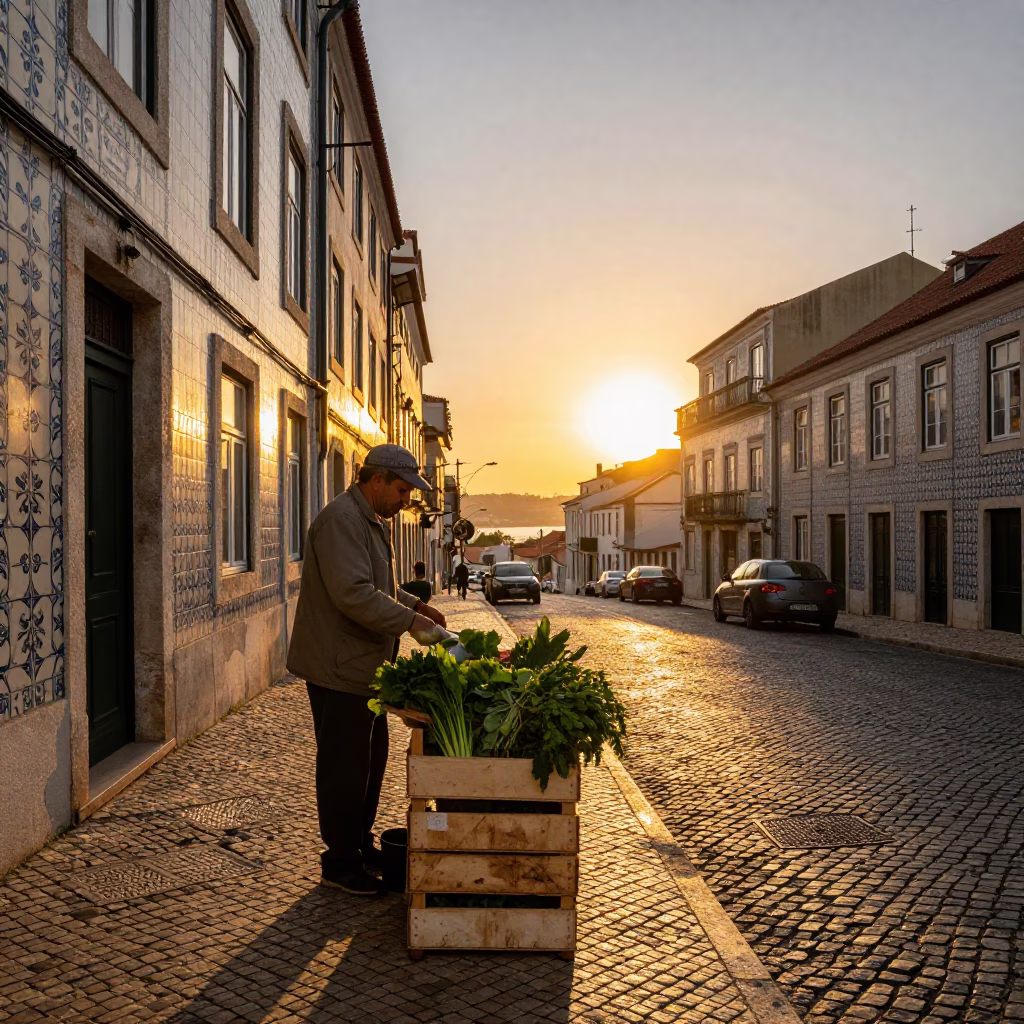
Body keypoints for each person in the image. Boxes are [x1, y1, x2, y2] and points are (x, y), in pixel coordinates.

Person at [287, 444, 447, 896]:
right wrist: (411, 623)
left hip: (367, 669)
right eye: (401, 490)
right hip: (339, 668)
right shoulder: (342, 520)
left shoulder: (371, 521)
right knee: (345, 767)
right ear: (376, 481)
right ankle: (338, 862)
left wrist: (416, 605)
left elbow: (380, 584)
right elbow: (354, 593)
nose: (406, 500)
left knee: (370, 762)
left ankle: (359, 843)